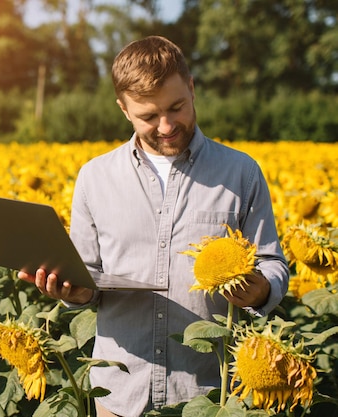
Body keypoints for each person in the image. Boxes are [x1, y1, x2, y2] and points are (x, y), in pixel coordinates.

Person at [17, 36, 289, 417]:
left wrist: (262, 291)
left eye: (176, 107)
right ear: (123, 109)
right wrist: (73, 292)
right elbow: (88, 277)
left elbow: (272, 261)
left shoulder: (240, 173)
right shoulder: (95, 178)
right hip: (119, 393)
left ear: (192, 88)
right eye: (148, 116)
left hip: (210, 394)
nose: (165, 126)